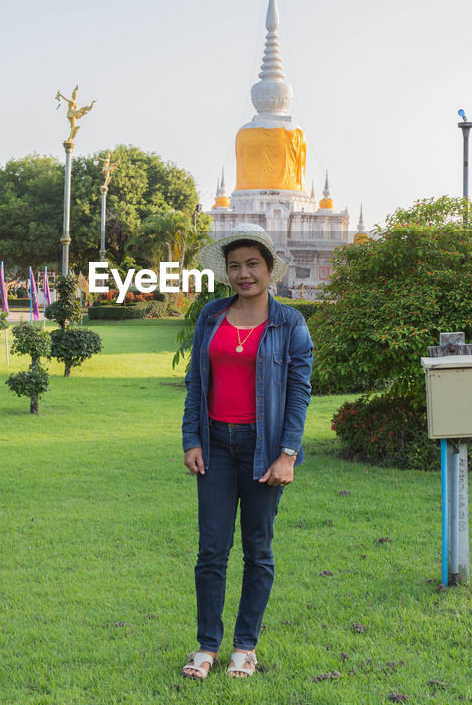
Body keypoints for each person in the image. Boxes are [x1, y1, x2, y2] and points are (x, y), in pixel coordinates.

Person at [180, 223, 313, 680]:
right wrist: (191, 439)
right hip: (215, 445)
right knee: (212, 551)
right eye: (235, 266)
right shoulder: (212, 317)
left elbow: (299, 394)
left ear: (270, 268)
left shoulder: (290, 323)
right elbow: (196, 382)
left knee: (258, 551)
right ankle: (206, 646)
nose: (243, 274)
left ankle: (245, 646)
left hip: (264, 451)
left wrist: (288, 455)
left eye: (252, 264)